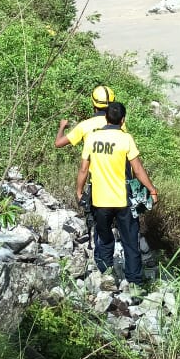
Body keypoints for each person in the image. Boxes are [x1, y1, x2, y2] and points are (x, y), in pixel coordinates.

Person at [76, 101, 158, 285]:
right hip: (123, 201)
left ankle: (107, 278)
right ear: (123, 120)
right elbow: (137, 170)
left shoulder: (92, 138)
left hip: (99, 200)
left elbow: (83, 169)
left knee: (104, 240)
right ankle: (135, 284)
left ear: (106, 118)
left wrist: (79, 192)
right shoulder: (126, 139)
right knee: (130, 242)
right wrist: (152, 190)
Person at [54, 85, 124, 149]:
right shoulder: (119, 124)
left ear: (93, 103)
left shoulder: (84, 125)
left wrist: (62, 126)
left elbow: (58, 143)